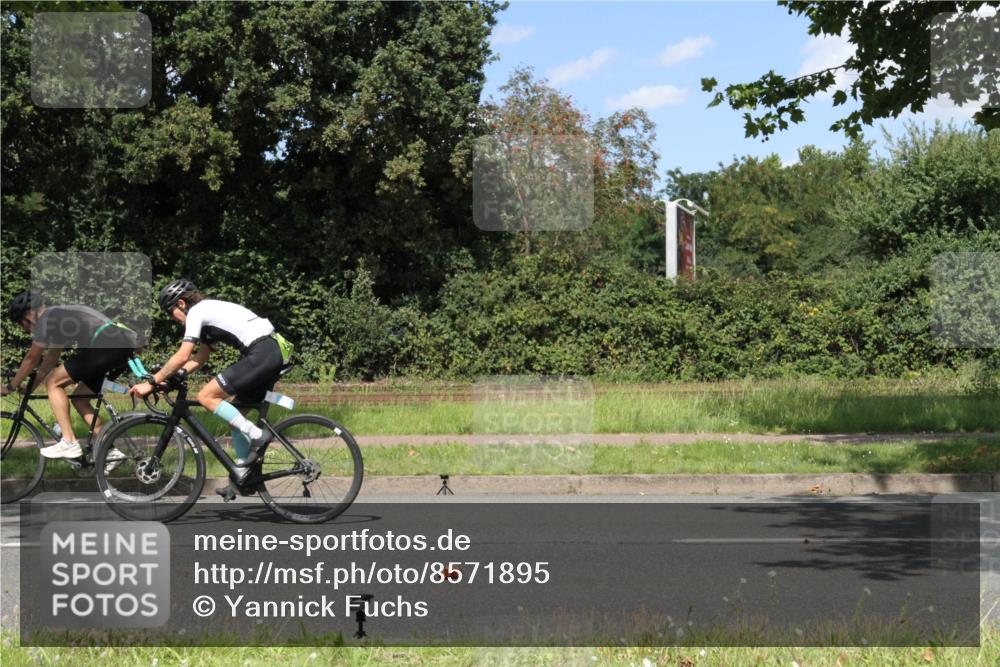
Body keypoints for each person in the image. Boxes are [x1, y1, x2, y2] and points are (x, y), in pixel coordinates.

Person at [129, 279, 289, 487]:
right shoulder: (206, 314)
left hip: (263, 352)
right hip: (270, 352)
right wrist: (173, 377)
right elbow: (201, 356)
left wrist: (152, 382)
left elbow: (183, 354)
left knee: (206, 396)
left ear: (181, 304)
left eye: (170, 312)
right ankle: (243, 476)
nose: (172, 319)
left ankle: (259, 436)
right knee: (236, 419)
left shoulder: (197, 312)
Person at [2, 291, 138, 464]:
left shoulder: (47, 318)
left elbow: (32, 358)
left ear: (28, 315)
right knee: (79, 398)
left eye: (23, 325)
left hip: (105, 345)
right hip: (116, 345)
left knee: (53, 382)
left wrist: (11, 387)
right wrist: (30, 388)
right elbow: (50, 360)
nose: (27, 330)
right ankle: (109, 452)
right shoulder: (58, 317)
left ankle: (69, 442)